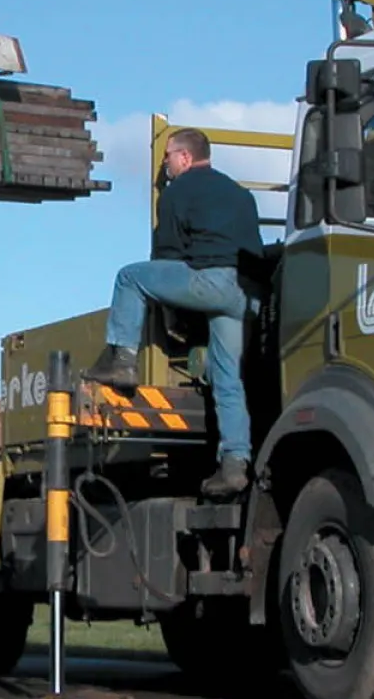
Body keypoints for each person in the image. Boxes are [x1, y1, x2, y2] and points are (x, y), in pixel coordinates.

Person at [80, 127, 261, 498]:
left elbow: (168, 254)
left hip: (213, 283)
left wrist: (171, 315)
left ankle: (122, 361)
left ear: (184, 157)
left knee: (130, 277)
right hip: (249, 292)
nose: (165, 166)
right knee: (228, 379)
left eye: (167, 158)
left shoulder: (179, 191)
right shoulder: (241, 194)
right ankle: (234, 464)